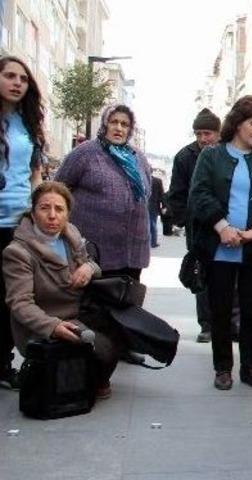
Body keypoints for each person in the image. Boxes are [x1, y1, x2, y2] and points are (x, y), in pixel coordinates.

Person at [187, 95, 252, 390]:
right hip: (219, 247)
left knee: (251, 312)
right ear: (238, 123)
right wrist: (223, 227)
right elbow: (199, 194)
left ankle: (250, 368)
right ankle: (222, 368)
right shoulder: (211, 156)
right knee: (219, 310)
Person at [3, 181, 120, 399]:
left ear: (67, 214)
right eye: (44, 208)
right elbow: (20, 303)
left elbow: (93, 265)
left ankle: (93, 377)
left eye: (59, 209)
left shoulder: (70, 236)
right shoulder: (18, 252)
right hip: (44, 322)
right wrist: (53, 326)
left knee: (126, 327)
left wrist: (89, 268)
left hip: (79, 311)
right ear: (33, 212)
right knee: (99, 346)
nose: (52, 215)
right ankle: (89, 379)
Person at [54, 104, 152, 280]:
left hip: (133, 251)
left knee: (128, 295)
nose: (119, 128)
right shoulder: (85, 153)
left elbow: (147, 192)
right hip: (93, 251)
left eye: (124, 124)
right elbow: (58, 189)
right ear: (105, 124)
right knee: (95, 296)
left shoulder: (138, 158)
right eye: (114, 122)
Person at [0, 55, 46, 390]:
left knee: (13, 297)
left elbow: (35, 173)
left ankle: (3, 363)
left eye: (23, 79)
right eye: (9, 76)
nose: (17, 83)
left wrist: (37, 212)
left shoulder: (27, 123)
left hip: (17, 224)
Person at [167, 108, 222, 343]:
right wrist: (186, 221)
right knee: (202, 275)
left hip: (227, 225)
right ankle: (207, 325)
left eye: (207, 133)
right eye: (198, 133)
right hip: (199, 228)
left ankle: (232, 322)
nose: (202, 138)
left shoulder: (229, 152)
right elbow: (176, 194)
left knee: (231, 275)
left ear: (218, 133)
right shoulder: (184, 157)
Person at [149, 173, 165, 248]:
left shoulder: (142, 179)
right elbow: (162, 195)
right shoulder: (158, 181)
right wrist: (164, 206)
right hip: (154, 206)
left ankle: (149, 242)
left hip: (145, 205)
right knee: (153, 223)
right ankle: (153, 242)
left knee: (148, 224)